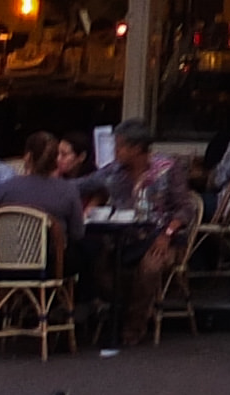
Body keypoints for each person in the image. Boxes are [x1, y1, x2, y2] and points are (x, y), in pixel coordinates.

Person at [84, 123, 199, 350]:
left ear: (136, 148)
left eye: (119, 146)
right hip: (124, 237)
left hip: (163, 237)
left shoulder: (168, 168)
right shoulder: (114, 171)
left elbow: (185, 209)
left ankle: (133, 327)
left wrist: (168, 233)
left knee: (150, 266)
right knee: (98, 266)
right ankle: (124, 309)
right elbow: (84, 184)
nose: (115, 151)